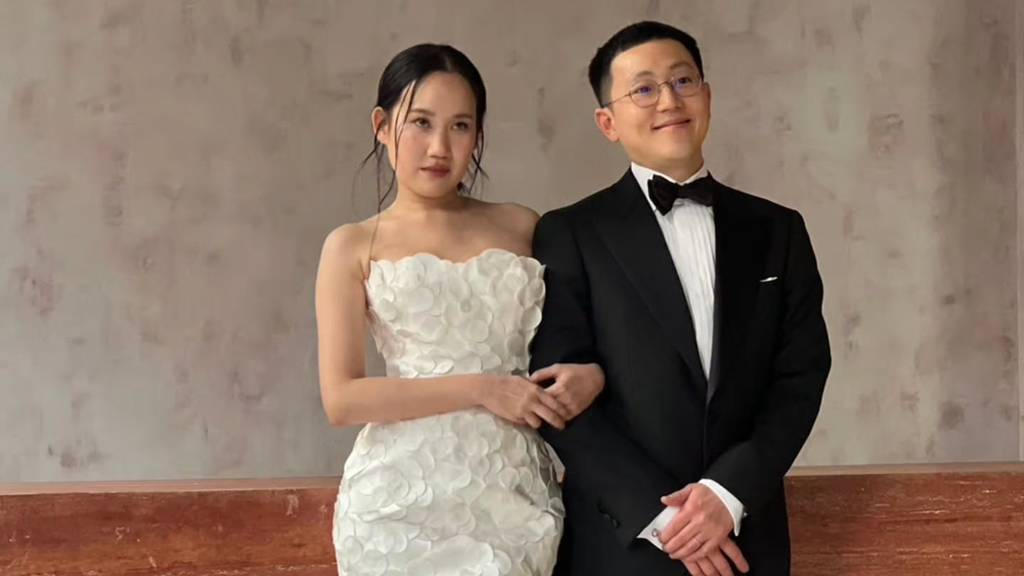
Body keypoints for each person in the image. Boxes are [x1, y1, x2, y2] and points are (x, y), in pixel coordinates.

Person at [529, 21, 831, 576]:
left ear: (707, 95)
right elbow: (555, 399)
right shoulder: (569, 233)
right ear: (607, 122)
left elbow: (801, 376)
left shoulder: (778, 229)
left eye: (683, 81)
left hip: (746, 538)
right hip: (623, 546)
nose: (669, 100)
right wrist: (665, 520)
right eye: (643, 89)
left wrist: (727, 492)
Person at [314, 43, 604, 576]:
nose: (439, 147)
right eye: (421, 122)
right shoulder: (352, 245)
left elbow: (583, 338)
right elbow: (342, 399)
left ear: (478, 135)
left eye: (461, 126)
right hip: (396, 505)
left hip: (513, 496)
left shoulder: (524, 227)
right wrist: (482, 388)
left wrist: (593, 373)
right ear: (382, 126)